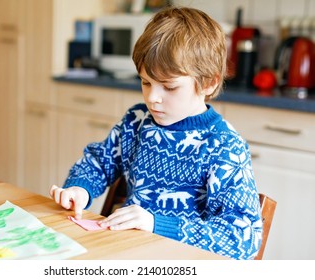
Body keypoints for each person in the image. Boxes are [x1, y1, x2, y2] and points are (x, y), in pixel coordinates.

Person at [50, 6, 262, 260]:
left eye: (169, 87)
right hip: (127, 254)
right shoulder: (137, 121)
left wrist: (155, 223)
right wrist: (80, 190)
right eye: (146, 82)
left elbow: (243, 237)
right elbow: (98, 162)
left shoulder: (224, 146)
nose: (153, 98)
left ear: (209, 83)